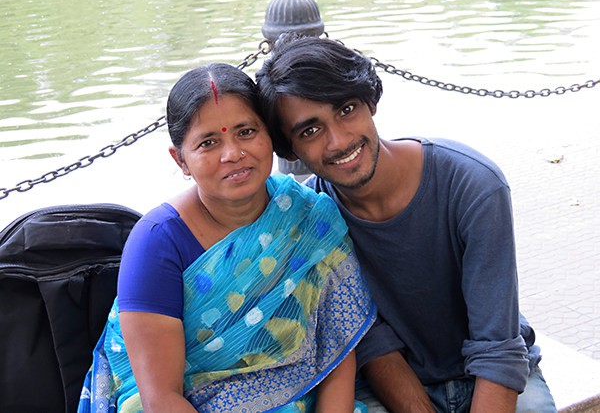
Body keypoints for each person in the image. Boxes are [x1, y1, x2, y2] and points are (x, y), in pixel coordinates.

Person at [255, 35, 557, 413]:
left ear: (370, 101)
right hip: (389, 381)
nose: (339, 141)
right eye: (310, 131)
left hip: (490, 371)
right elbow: (370, 341)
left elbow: (497, 345)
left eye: (347, 109)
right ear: (290, 149)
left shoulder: (472, 184)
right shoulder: (314, 219)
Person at [77, 63, 377, 412]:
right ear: (181, 160)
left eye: (246, 132)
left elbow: (336, 352)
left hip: (302, 399)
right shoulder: (157, 244)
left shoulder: (309, 219)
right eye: (208, 142)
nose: (232, 153)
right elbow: (161, 398)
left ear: (270, 135)